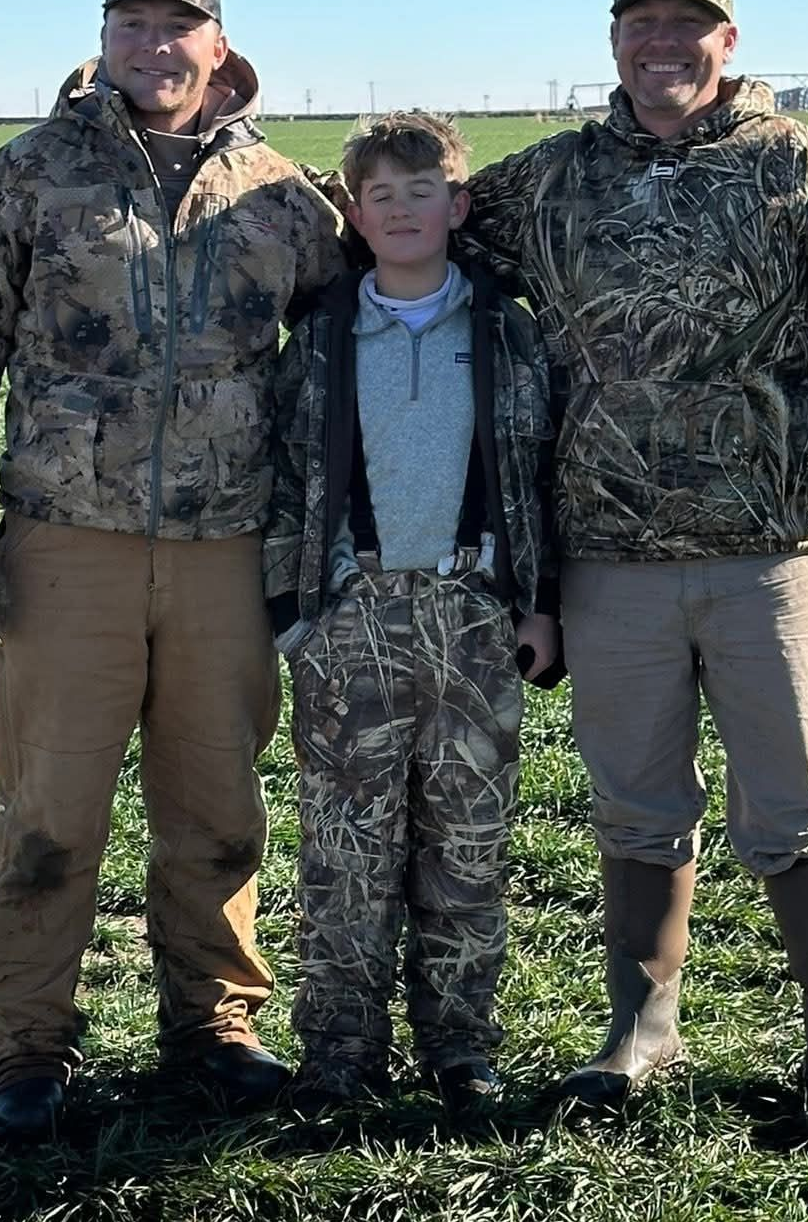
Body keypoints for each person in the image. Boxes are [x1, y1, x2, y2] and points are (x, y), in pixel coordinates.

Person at [461, 0, 808, 1131]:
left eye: (688, 26)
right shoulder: (553, 181)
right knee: (633, 803)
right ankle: (641, 1028)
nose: (661, 44)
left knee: (794, 803)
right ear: (612, 40)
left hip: (769, 552)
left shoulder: (793, 165)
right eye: (641, 25)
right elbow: (404, 206)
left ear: (729, 44)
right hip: (609, 557)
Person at [0, 0, 347, 1139]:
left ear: (220, 46)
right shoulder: (31, 174)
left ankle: (213, 1019)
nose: (153, 48)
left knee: (216, 801)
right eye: (130, 25)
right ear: (103, 38)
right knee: (49, 810)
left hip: (226, 548)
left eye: (177, 28)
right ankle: (22, 1038)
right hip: (69, 545)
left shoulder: (281, 194)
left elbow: (356, 339)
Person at [264, 114, 563, 1118]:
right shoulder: (320, 339)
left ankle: (460, 1043)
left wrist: (539, 604)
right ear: (353, 213)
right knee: (347, 847)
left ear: (459, 204)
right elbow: (287, 481)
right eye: (378, 194)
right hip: (354, 615)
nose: (400, 208)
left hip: (475, 615)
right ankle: (339, 1049)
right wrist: (295, 615)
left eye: (421, 189)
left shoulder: (509, 333)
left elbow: (538, 479)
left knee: (467, 846)